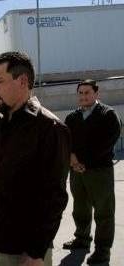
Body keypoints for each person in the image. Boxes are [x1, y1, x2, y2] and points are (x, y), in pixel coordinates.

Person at [0, 51, 70, 266]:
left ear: (22, 81)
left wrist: (37, 251)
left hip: (23, 251)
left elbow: (56, 197)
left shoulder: (50, 128)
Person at [63, 79, 121, 264]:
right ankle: (82, 240)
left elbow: (107, 142)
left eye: (87, 92)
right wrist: (72, 159)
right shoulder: (72, 117)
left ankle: (103, 250)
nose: (83, 96)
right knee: (80, 208)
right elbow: (66, 141)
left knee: (104, 212)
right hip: (77, 173)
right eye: (80, 93)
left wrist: (84, 162)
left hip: (99, 172)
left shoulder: (107, 115)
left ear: (97, 94)